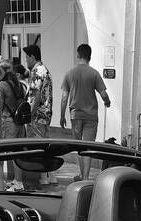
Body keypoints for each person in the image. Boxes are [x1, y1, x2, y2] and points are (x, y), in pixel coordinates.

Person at [59, 43, 111, 180]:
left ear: (78, 55)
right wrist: (107, 102)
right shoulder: (94, 73)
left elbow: (64, 97)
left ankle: (82, 174)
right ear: (90, 56)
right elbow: (103, 93)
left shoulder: (69, 73)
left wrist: (61, 116)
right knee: (88, 146)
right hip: (91, 116)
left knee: (79, 147)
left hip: (75, 115)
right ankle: (85, 178)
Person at [24, 44, 52, 139]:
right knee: (43, 146)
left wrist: (30, 115)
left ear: (32, 57)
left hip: (36, 117)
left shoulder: (37, 71)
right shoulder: (44, 69)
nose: (26, 61)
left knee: (35, 147)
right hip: (44, 116)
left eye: (27, 57)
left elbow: (36, 96)